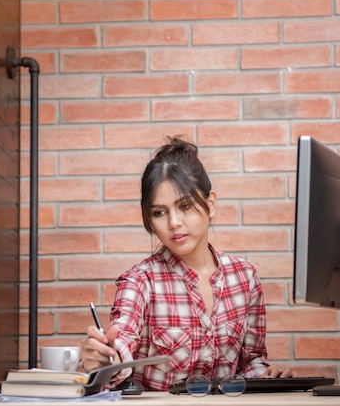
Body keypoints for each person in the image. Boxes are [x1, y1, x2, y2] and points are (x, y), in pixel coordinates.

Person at [79, 136, 293, 391]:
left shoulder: (245, 277)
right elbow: (121, 341)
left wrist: (268, 375)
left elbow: (251, 362)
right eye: (159, 213)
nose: (174, 223)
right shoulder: (140, 281)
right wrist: (105, 357)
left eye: (185, 206)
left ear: (210, 204)